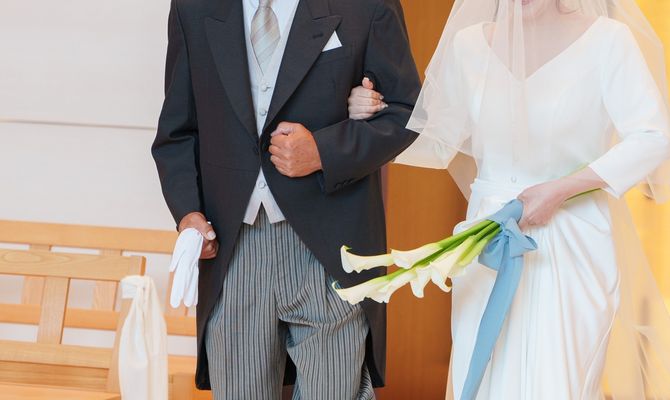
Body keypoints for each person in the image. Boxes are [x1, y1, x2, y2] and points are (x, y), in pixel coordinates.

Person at [347, 0, 670, 398]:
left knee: (558, 381)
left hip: (571, 239)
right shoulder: (468, 45)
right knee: (484, 378)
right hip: (487, 240)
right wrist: (374, 114)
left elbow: (653, 137)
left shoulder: (607, 41)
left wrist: (562, 189)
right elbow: (436, 142)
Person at [151, 0, 420, 398]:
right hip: (233, 250)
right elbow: (177, 131)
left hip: (331, 250)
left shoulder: (367, 5)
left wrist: (323, 152)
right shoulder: (193, 8)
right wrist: (189, 213)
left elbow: (406, 111)